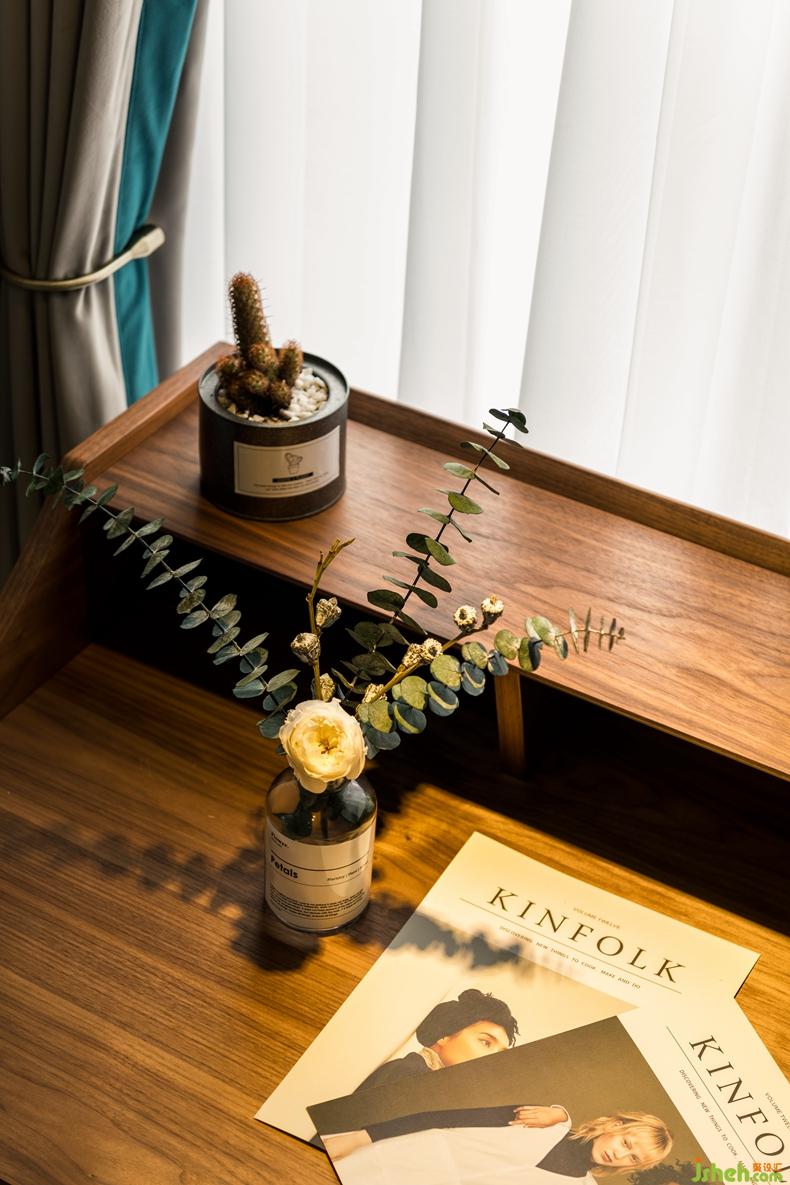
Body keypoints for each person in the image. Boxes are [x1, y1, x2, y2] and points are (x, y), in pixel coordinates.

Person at [323, 1108, 673, 1185]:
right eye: (626, 1142)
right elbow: (444, 1117)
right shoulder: (546, 1119)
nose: (620, 1154)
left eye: (632, 1158)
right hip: (391, 1160)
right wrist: (360, 1137)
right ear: (614, 1125)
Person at [353, 988, 520, 1093]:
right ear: (444, 1034)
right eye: (486, 1042)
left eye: (500, 1053)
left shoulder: (434, 1084)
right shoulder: (409, 1073)